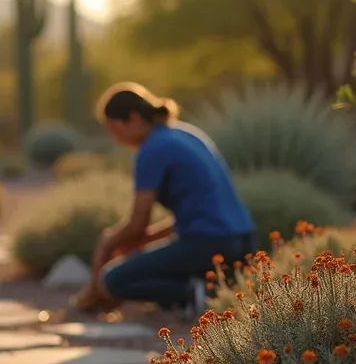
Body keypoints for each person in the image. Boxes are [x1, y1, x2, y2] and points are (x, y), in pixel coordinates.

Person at [75, 82, 256, 318]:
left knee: (113, 280)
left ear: (133, 118)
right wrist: (144, 241)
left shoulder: (151, 150)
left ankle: (195, 295)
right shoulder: (187, 133)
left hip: (208, 244)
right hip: (244, 241)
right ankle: (212, 288)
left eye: (115, 130)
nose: (117, 140)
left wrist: (107, 243)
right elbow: (198, 214)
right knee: (147, 259)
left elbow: (137, 223)